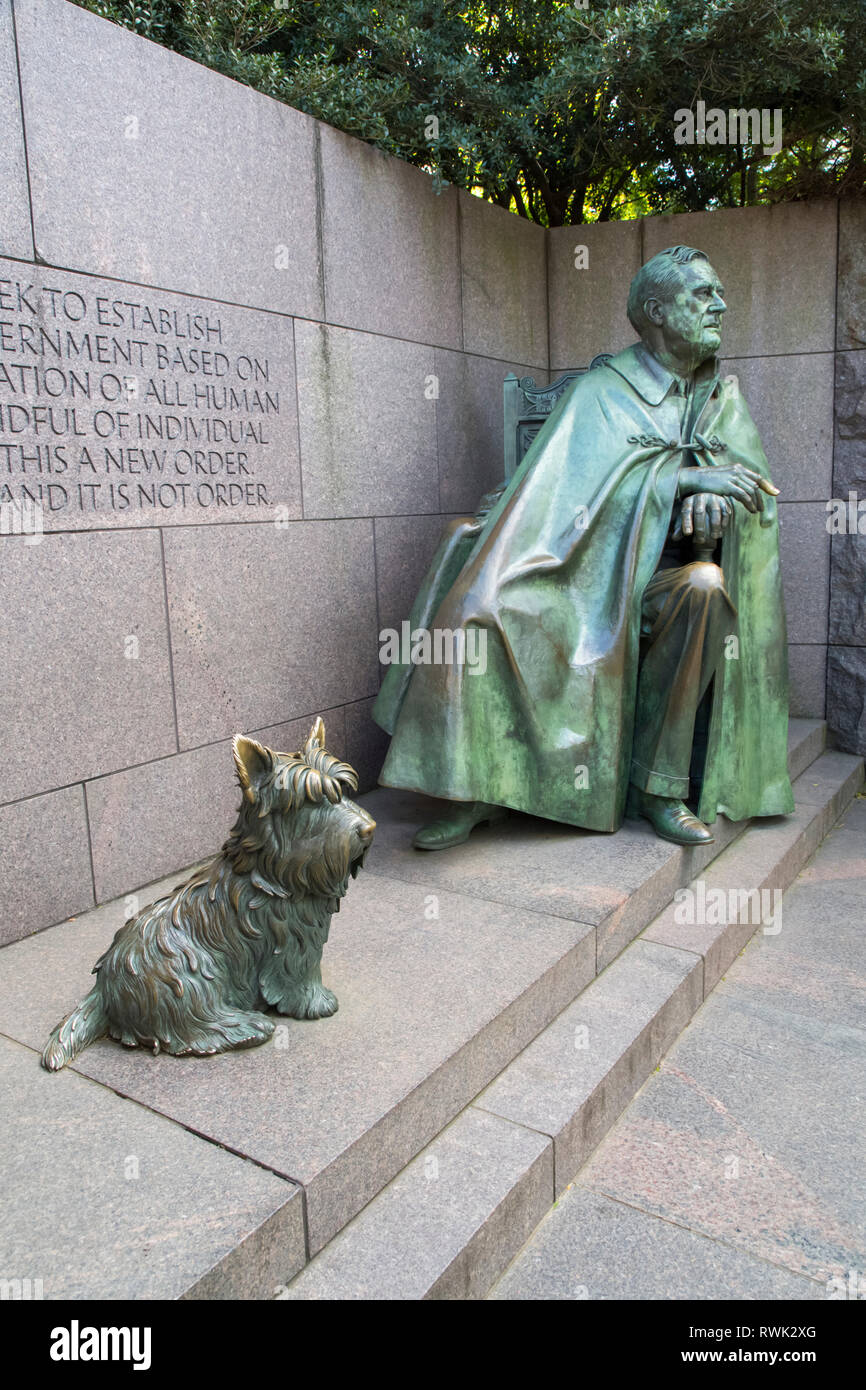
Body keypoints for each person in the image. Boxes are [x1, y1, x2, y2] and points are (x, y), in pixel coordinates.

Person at [373, 245, 794, 848]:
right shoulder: (600, 391)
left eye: (719, 293)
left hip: (659, 579)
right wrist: (680, 478)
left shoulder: (720, 401)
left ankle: (659, 788)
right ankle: (472, 785)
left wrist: (715, 507)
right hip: (574, 578)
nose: (720, 306)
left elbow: (754, 493)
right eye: (703, 295)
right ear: (655, 310)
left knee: (704, 589)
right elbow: (553, 496)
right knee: (477, 611)